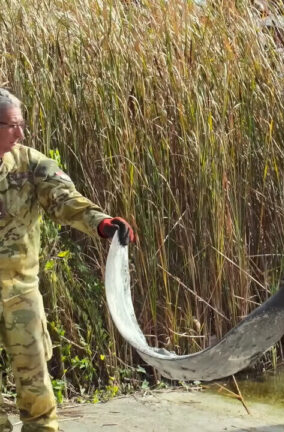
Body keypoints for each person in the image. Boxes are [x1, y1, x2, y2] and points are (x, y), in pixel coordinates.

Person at [0, 88, 135, 431]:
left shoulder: (31, 165)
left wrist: (103, 224)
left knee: (34, 376)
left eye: (22, 124)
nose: (21, 134)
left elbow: (66, 200)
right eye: (13, 125)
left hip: (19, 292)